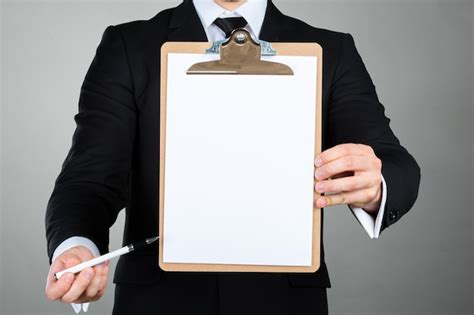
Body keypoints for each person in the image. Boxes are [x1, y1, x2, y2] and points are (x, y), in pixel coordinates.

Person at [44, 0, 421, 314]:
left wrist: (376, 182)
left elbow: (395, 162)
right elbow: (89, 180)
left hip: (285, 303)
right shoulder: (128, 45)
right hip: (158, 302)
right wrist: (78, 246)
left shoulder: (332, 50)